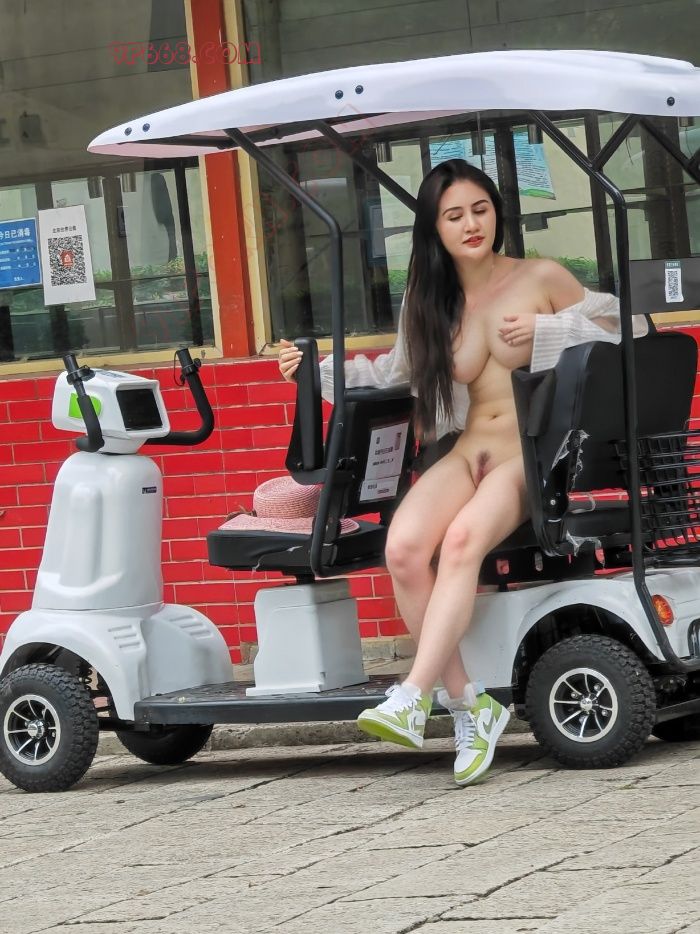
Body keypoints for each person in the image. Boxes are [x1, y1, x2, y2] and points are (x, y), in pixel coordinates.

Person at [278, 159, 646, 787]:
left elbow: (629, 327)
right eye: (454, 216)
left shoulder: (539, 276)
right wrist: (312, 372)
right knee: (403, 550)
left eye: (480, 209)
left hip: (528, 455)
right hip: (466, 450)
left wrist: (550, 327)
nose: (471, 224)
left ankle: (412, 693)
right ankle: (469, 705)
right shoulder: (429, 300)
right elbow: (392, 374)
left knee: (462, 542)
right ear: (435, 228)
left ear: (497, 213)